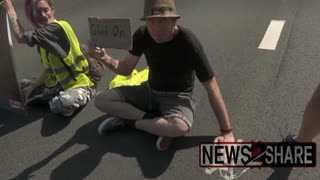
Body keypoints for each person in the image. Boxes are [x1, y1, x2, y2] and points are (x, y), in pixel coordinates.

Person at [91, 0, 235, 151]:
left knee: (180, 127)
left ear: (174, 21)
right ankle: (156, 125)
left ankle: (128, 121)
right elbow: (126, 68)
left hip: (178, 97)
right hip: (149, 90)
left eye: (162, 21)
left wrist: (227, 132)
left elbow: (212, 87)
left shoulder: (189, 43)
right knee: (101, 100)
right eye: (151, 21)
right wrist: (104, 58)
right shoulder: (142, 34)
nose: (156, 29)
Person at [0, 0, 95, 116]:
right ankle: (50, 95)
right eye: (38, 12)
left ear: (52, 9)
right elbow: (48, 69)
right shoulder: (44, 37)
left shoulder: (57, 28)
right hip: (57, 84)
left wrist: (10, 10)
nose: (44, 15)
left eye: (46, 10)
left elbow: (21, 37)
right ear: (33, 16)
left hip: (78, 83)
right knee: (18, 89)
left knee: (63, 104)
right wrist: (31, 87)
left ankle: (86, 93)